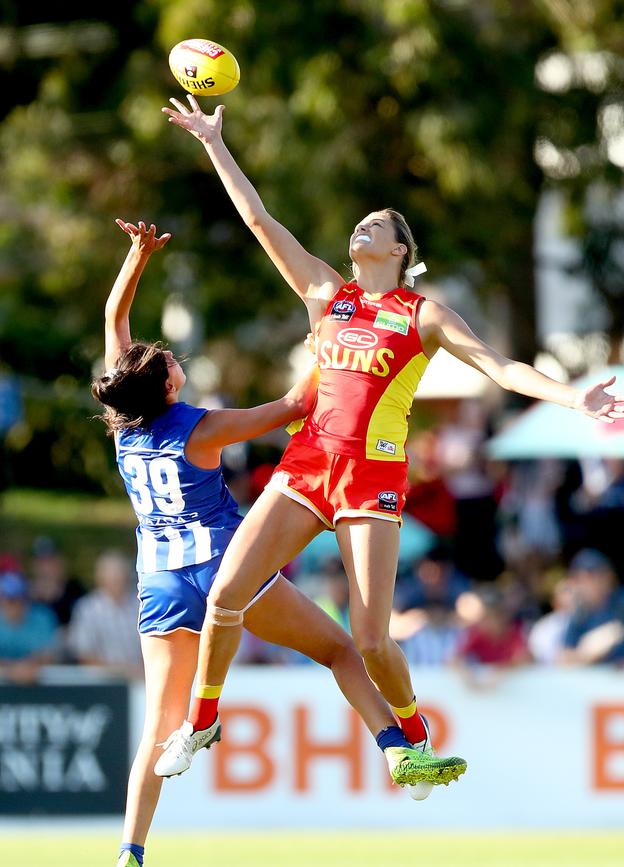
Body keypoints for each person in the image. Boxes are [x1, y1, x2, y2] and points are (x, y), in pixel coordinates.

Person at [155, 94, 624, 790]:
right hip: (308, 461)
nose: (361, 226)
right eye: (360, 222)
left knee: (372, 638)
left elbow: (500, 367)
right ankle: (201, 721)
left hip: (371, 479)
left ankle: (411, 733)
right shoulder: (327, 291)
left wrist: (574, 395)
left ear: (400, 249)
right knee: (226, 590)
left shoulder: (422, 314)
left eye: (375, 224)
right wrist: (212, 142)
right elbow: (259, 220)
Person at [93, 221, 460, 867]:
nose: (172, 357)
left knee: (157, 726)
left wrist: (135, 259)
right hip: (218, 566)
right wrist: (338, 343)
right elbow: (296, 404)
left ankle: (131, 849)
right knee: (344, 650)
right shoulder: (200, 426)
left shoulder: (125, 424)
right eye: (170, 360)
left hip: (158, 582)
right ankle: (396, 743)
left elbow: (113, 318)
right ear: (170, 387)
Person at [67, 549, 143, 679]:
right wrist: (119, 671)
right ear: (100, 577)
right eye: (112, 576)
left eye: (119, 575)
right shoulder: (87, 608)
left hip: (140, 681)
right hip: (99, 684)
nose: (116, 580)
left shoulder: (141, 605)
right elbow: (84, 654)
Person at [0, 570, 58, 684]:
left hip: (39, 688)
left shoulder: (43, 617)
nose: (14, 604)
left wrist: (25, 667)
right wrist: (12, 670)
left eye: (18, 598)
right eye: (9, 599)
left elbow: (48, 652)